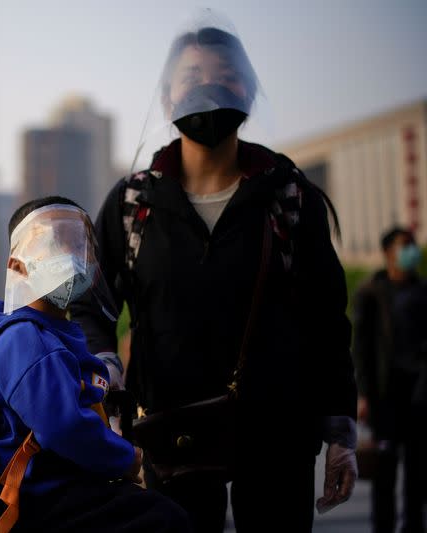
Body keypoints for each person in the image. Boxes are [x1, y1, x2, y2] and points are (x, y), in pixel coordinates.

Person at [70, 11, 357, 533]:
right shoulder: (134, 203)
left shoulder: (287, 194)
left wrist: (341, 432)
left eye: (224, 75)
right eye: (191, 77)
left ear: (247, 91)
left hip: (278, 435)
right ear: (166, 98)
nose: (208, 87)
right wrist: (106, 380)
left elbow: (327, 321)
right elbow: (93, 305)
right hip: (168, 433)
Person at [0, 196, 191, 533]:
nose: (73, 255)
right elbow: (64, 426)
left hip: (63, 490)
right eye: (54, 242)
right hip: (43, 499)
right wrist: (124, 457)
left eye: (80, 244)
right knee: (166, 520)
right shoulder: (25, 338)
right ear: (18, 265)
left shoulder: (52, 333)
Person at [353, 227, 427, 533]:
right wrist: (363, 395)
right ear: (388, 253)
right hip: (386, 397)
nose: (411, 252)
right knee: (384, 472)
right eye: (404, 246)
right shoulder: (371, 293)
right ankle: (382, 527)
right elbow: (362, 348)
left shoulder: (423, 291)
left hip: (420, 396)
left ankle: (413, 526)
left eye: (413, 246)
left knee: (418, 471)